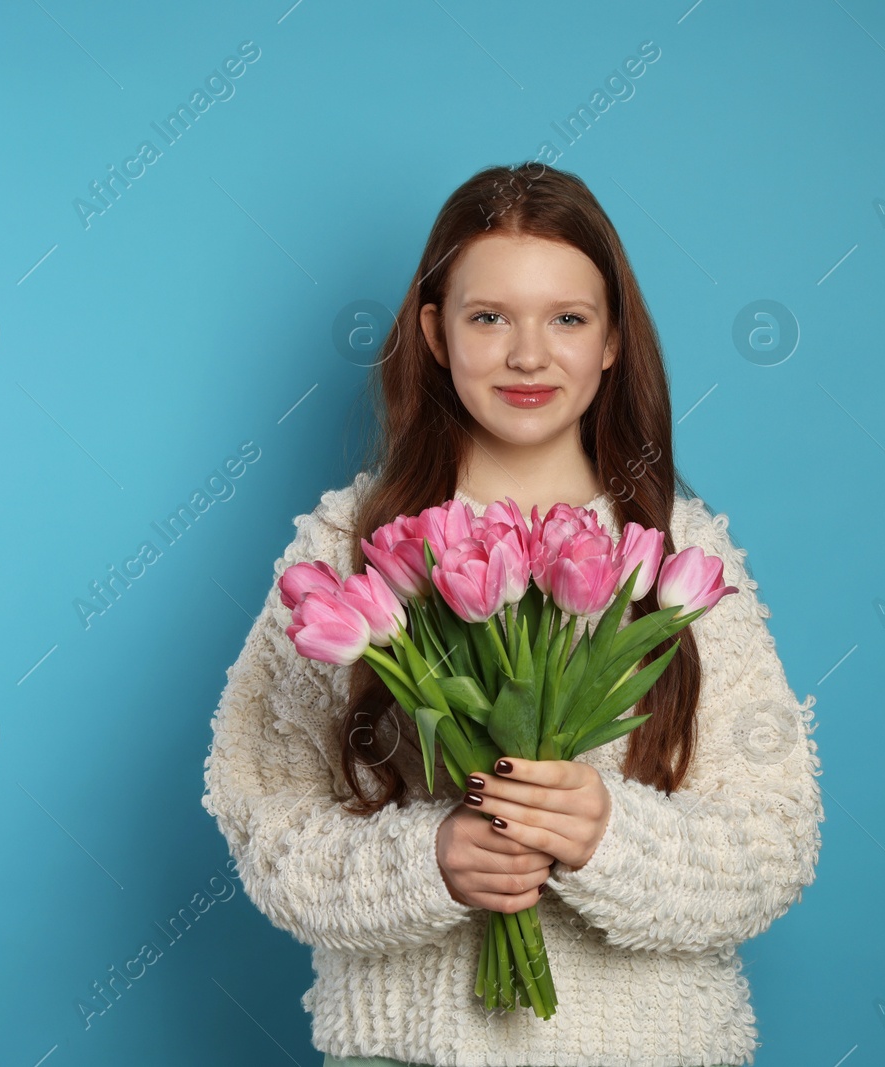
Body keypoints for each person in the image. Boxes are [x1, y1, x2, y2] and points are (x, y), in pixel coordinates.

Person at [201, 163, 823, 1067]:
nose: (528, 355)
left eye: (567, 319)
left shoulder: (676, 552)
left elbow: (777, 841)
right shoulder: (346, 546)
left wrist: (609, 835)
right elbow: (267, 825)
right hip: (402, 1050)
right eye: (488, 317)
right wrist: (433, 862)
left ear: (612, 340)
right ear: (435, 333)